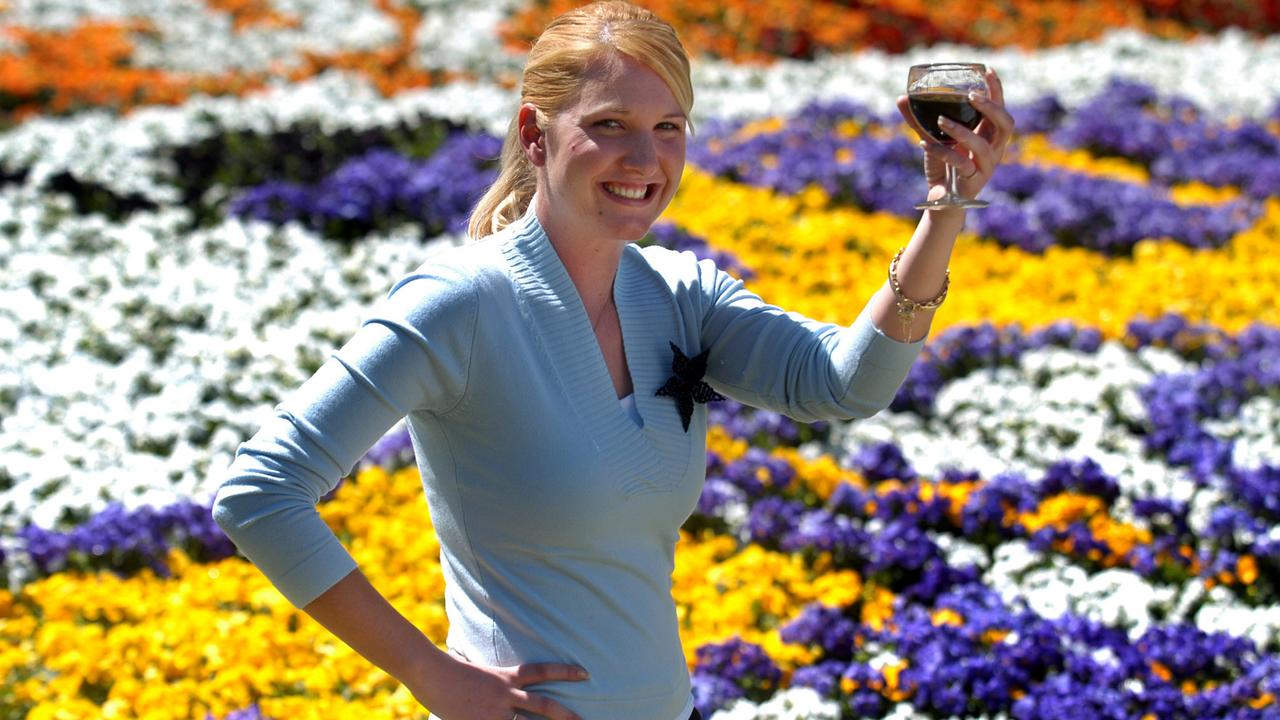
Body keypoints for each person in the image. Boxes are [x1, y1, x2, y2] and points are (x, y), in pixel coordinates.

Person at [211, 1, 1015, 719]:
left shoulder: (681, 292)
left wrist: (944, 210)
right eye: (610, 125)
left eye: (668, 128)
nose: (645, 159)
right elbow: (259, 494)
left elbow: (842, 385)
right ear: (535, 134)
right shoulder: (459, 303)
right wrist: (433, 676)